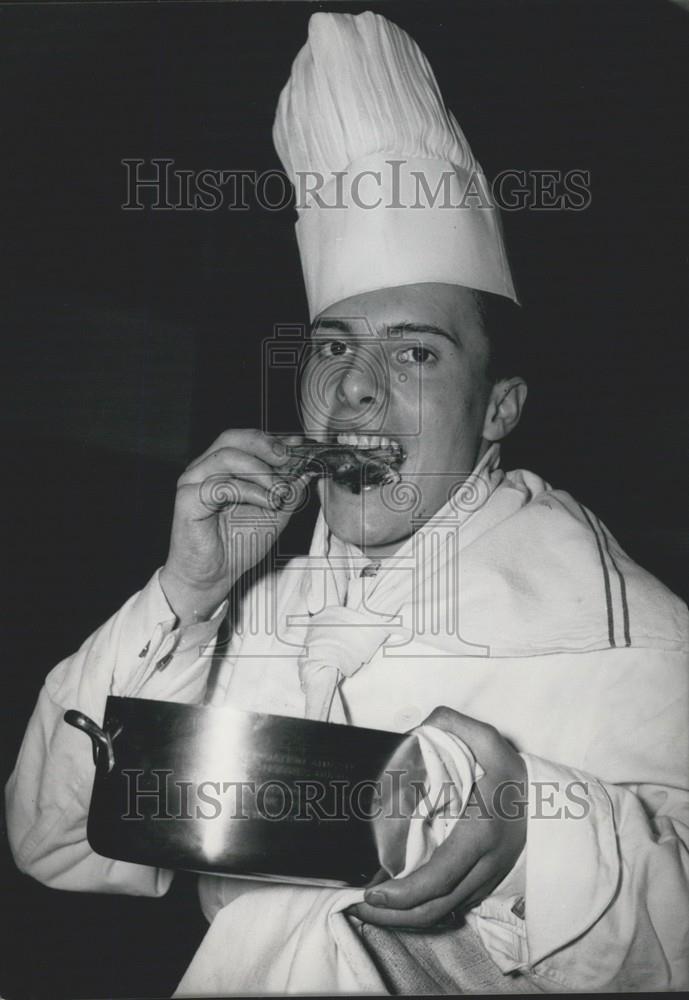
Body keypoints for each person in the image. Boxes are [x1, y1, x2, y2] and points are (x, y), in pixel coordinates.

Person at [6, 10, 689, 995]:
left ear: (498, 407)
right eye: (331, 344)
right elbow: (51, 836)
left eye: (413, 351)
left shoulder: (623, 625)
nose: (353, 387)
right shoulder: (252, 609)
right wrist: (183, 596)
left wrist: (534, 835)